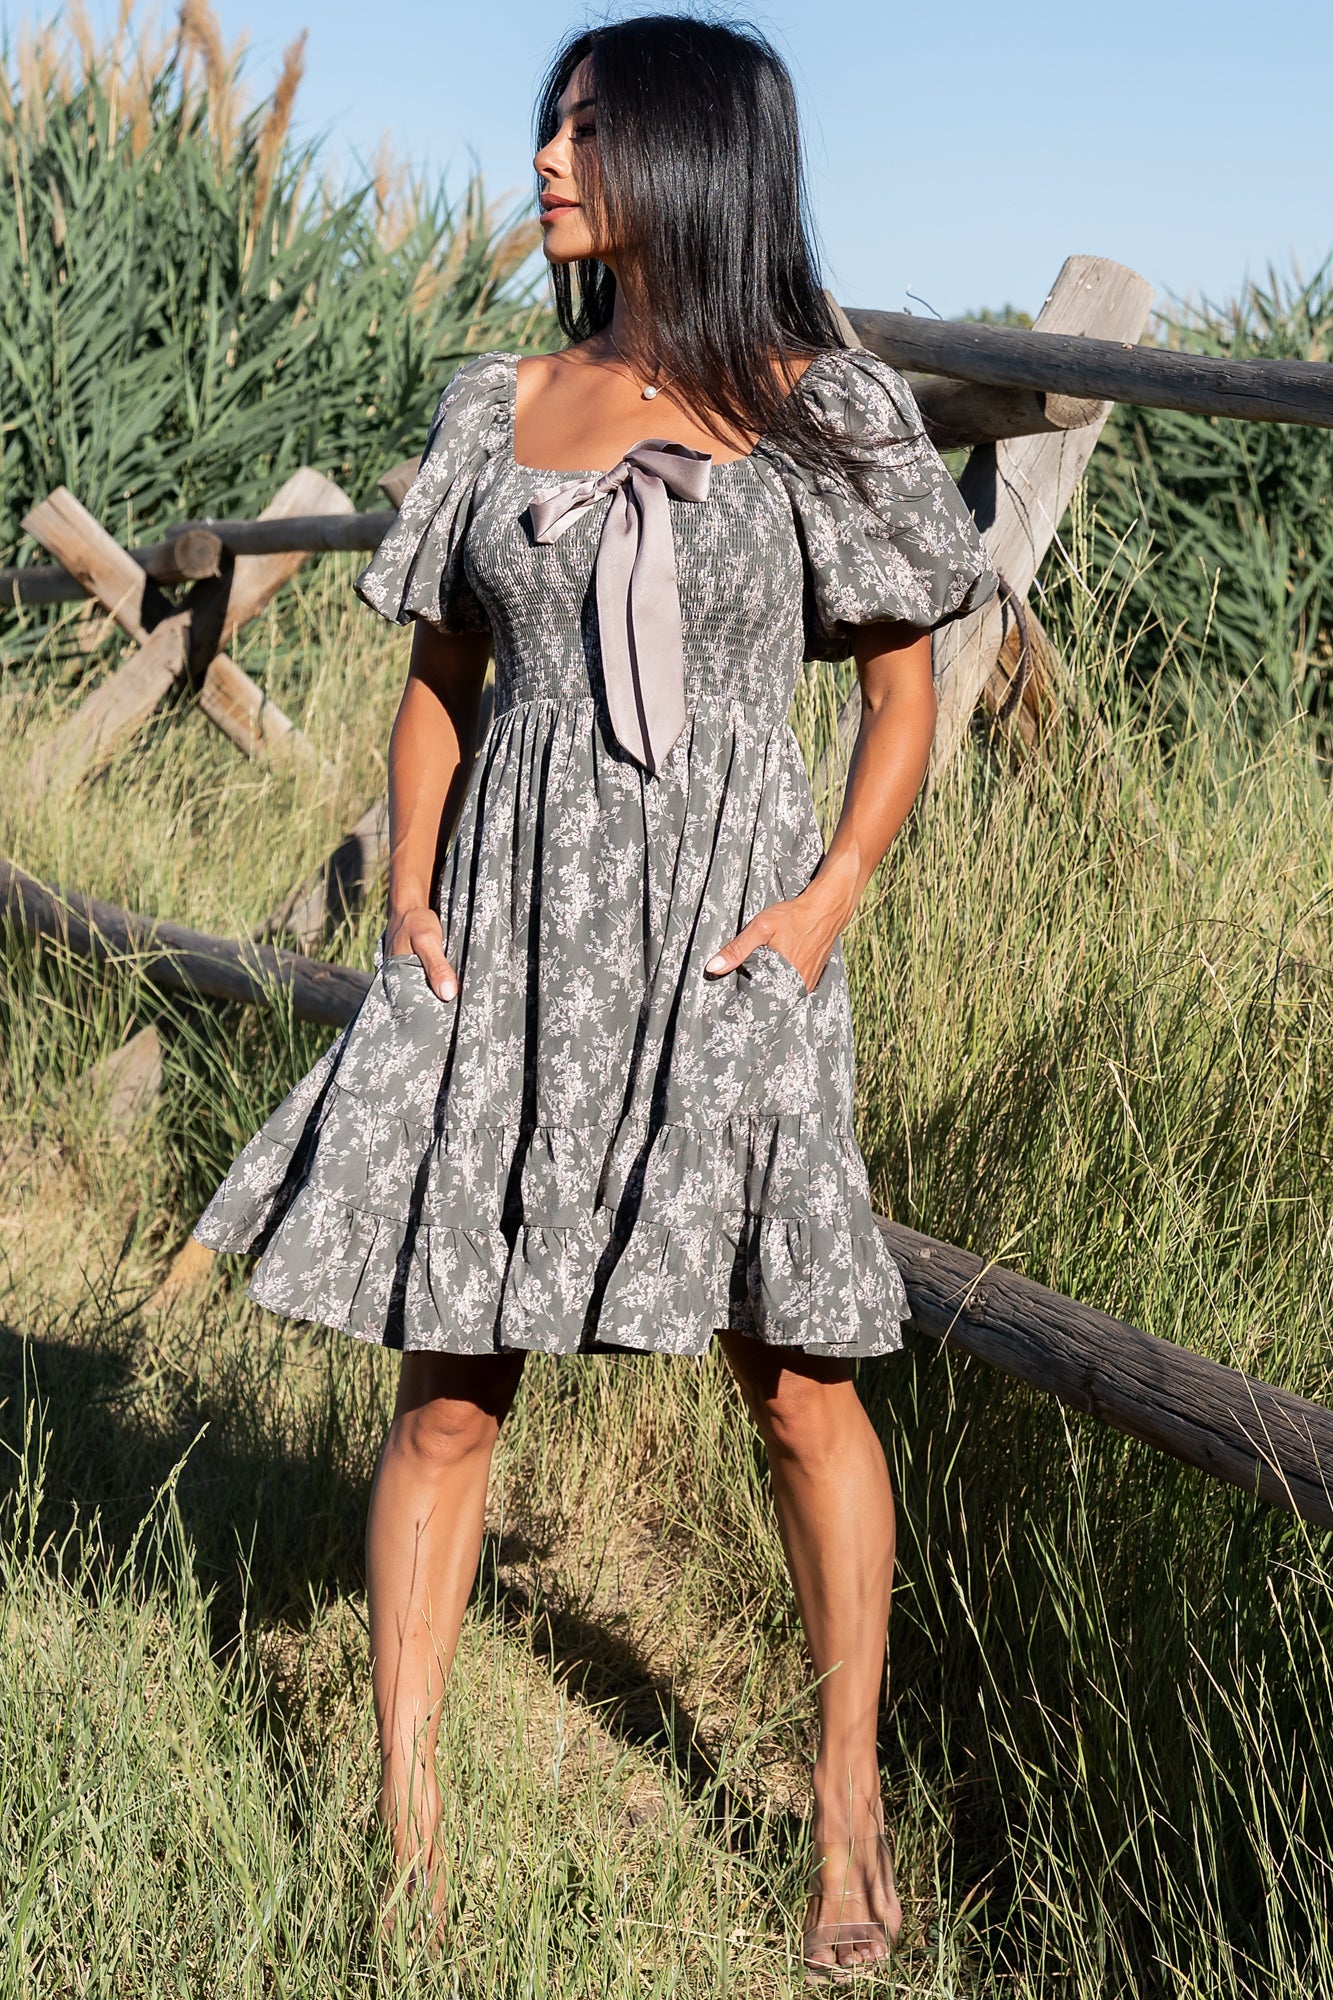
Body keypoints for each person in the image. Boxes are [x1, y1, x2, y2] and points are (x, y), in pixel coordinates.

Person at [194, 14, 994, 1980]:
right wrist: (412, 894)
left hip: (734, 935)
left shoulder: (825, 406)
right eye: (545, 124)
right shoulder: (500, 400)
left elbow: (900, 692)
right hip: (505, 930)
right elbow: (440, 677)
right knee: (448, 1389)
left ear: (696, 156)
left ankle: (845, 1815)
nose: (546, 158)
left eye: (587, 128)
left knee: (796, 1380)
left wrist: (826, 901)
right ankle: (407, 1847)